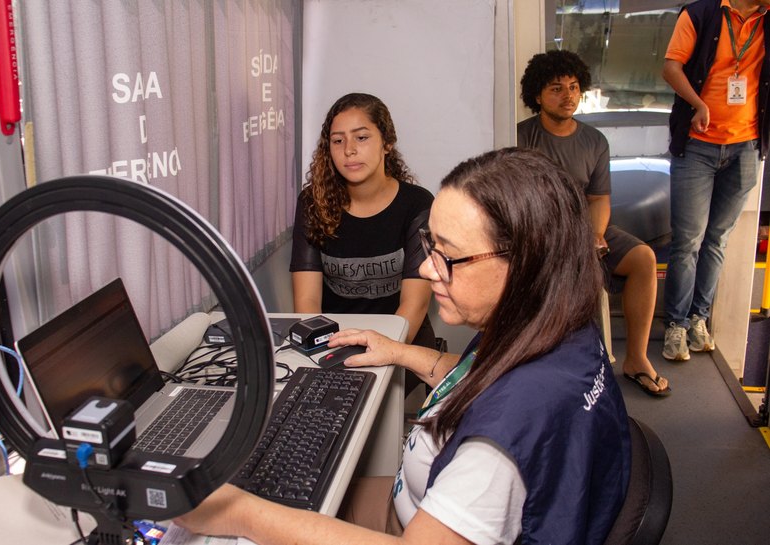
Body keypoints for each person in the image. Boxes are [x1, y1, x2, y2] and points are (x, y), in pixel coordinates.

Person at [175, 148, 631, 545]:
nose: (429, 269)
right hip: (416, 499)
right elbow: (487, 378)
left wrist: (236, 511)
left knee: (233, 515)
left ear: (524, 262)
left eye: (448, 255)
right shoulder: (560, 329)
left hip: (411, 525)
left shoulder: (496, 452)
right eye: (428, 244)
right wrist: (397, 351)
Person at [517, 50, 671, 397]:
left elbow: (599, 199)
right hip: (540, 233)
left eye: (573, 87)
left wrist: (596, 234)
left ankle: (636, 359)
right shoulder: (519, 137)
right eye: (556, 88)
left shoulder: (594, 141)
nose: (568, 95)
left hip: (585, 228)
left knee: (644, 258)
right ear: (537, 96)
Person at [661, 0, 770, 361]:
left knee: (718, 239)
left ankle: (698, 318)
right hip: (698, 146)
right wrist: (697, 104)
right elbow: (671, 68)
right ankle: (675, 326)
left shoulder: (765, 20)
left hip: (746, 146)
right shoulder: (700, 14)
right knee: (688, 241)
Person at [290, 93, 435, 350]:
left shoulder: (418, 204)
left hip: (404, 343)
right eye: (338, 140)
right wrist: (325, 351)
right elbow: (307, 301)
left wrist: (384, 355)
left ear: (387, 143)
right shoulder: (313, 202)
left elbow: (415, 305)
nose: (349, 150)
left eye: (362, 137)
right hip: (335, 343)